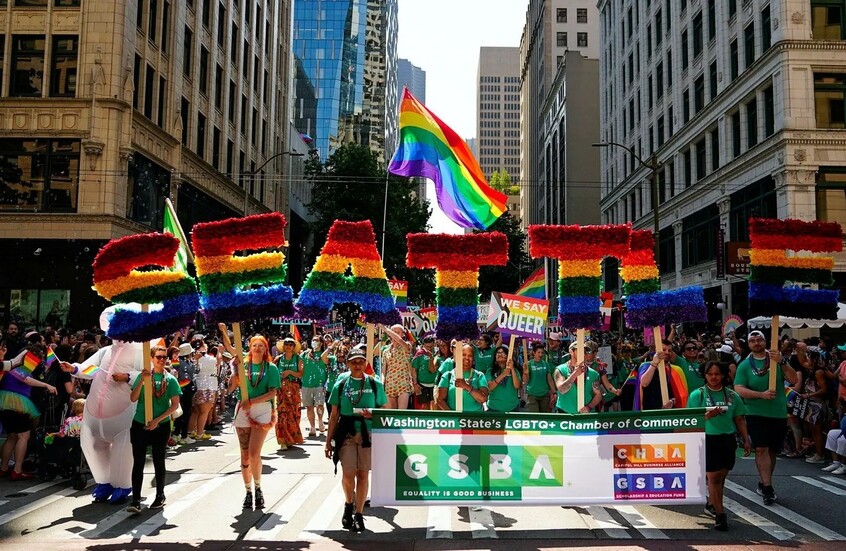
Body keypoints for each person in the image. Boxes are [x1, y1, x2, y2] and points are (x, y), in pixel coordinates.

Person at [324, 347, 387, 532]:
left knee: (363, 474)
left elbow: (384, 409)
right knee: (348, 473)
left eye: (361, 361)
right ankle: (348, 504)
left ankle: (359, 514)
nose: (358, 365)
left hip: (368, 434)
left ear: (365, 363)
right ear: (348, 364)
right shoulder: (341, 384)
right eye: (354, 362)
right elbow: (334, 415)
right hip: (346, 434)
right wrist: (328, 442)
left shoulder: (375, 384)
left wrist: (373, 413)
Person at [733, 329, 798, 505]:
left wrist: (782, 362)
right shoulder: (745, 365)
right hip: (755, 412)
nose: (756, 343)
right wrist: (760, 395)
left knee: (772, 451)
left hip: (777, 413)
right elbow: (738, 388)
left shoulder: (776, 360)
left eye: (759, 340)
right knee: (761, 448)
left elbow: (794, 380)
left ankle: (764, 481)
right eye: (752, 341)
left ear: (765, 341)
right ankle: (768, 488)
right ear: (749, 344)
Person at [687, 361, 751, 531]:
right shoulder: (697, 395)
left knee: (721, 477)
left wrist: (746, 439)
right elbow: (692, 420)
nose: (713, 377)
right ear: (705, 375)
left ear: (723, 375)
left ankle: (711, 503)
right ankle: (720, 515)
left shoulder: (732, 396)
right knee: (714, 477)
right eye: (710, 374)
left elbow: (739, 419)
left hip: (727, 439)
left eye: (717, 374)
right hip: (707, 439)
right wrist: (709, 415)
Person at [125, 346, 181, 513]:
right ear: (151, 358)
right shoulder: (143, 376)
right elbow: (133, 398)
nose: (161, 360)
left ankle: (160, 495)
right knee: (138, 462)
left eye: (164, 357)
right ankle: (135, 500)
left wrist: (157, 420)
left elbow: (175, 405)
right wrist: (142, 381)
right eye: (158, 357)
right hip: (140, 423)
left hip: (160, 426)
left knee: (158, 460)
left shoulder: (170, 379)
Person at [230, 335, 280, 510]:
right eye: (254, 345)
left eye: (261, 345)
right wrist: (234, 369)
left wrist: (252, 401)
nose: (257, 348)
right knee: (244, 456)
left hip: (262, 410)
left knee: (253, 454)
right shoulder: (243, 365)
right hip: (242, 409)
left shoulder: (271, 368)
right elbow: (231, 387)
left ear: (266, 348)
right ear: (250, 348)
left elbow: (272, 393)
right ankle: (248, 491)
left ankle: (258, 488)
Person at [0, 344, 57, 479]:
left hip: (4, 402)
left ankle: (3, 468)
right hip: (17, 403)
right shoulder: (22, 364)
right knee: (23, 436)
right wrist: (46, 385)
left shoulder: (11, 363)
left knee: (12, 436)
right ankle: (17, 470)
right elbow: (25, 379)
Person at [436, 344, 489, 411]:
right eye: (464, 355)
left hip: (475, 417)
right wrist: (453, 415)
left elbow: (483, 399)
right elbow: (440, 400)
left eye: (470, 356)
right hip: (455, 416)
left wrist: (466, 386)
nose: (467, 358)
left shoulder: (479, 375)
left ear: (473, 359)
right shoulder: (447, 376)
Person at [553, 341, 602, 414]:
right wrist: (575, 374)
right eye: (580, 351)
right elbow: (562, 390)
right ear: (571, 352)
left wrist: (589, 407)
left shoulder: (593, 374)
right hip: (564, 414)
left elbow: (599, 394)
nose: (584, 354)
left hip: (585, 416)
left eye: (585, 351)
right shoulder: (560, 370)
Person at [275, 337, 304, 449]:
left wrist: (290, 372)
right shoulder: (278, 359)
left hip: (294, 389)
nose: (288, 346)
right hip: (281, 389)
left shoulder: (298, 358)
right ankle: (283, 440)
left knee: (294, 413)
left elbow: (301, 374)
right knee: (282, 414)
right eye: (286, 344)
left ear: (293, 347)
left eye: (290, 344)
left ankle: (291, 438)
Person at [380, 324, 414, 409]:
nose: (395, 334)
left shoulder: (406, 346)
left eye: (398, 332)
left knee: (401, 411)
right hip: (390, 383)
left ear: (403, 334)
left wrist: (385, 329)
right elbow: (384, 370)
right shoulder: (386, 351)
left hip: (403, 382)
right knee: (390, 412)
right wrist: (382, 383)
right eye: (393, 332)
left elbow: (399, 340)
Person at [188, 345, 218, 441]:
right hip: (208, 387)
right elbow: (218, 362)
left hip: (197, 387)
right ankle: (200, 433)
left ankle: (190, 431)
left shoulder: (193, 360)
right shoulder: (211, 359)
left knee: (196, 411)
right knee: (204, 412)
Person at [637, 340, 676, 410]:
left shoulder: (672, 369)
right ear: (655, 351)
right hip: (650, 413)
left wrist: (671, 402)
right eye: (664, 350)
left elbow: (673, 395)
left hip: (667, 413)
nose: (667, 352)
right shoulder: (646, 366)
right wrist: (654, 363)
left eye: (669, 350)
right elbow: (644, 383)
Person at [301, 337, 328, 436]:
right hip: (306, 384)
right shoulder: (305, 354)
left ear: (321, 343)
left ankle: (320, 421)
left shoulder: (324, 354)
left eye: (316, 340)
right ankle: (312, 427)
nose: (314, 342)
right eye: (313, 340)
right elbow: (298, 361)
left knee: (319, 405)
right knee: (309, 407)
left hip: (319, 384)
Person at [172, 343, 197, 444]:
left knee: (184, 412)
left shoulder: (186, 361)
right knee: (185, 412)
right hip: (185, 389)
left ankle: (177, 434)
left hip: (186, 389)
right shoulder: (181, 362)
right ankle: (183, 436)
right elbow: (188, 374)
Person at [485, 344, 522, 412]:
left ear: (508, 356)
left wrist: (512, 369)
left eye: (503, 352)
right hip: (494, 408)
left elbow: (517, 386)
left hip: (512, 407)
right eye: (498, 353)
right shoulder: (490, 371)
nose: (500, 354)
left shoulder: (514, 370)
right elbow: (489, 387)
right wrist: (503, 374)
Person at [524, 342, 554, 413]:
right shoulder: (529, 364)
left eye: (542, 353)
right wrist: (525, 372)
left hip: (545, 395)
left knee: (545, 416)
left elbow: (549, 379)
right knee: (534, 416)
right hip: (532, 395)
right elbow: (526, 381)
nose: (540, 354)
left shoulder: (545, 364)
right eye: (538, 352)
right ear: (534, 353)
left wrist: (554, 392)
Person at [411, 336, 438, 410]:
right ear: (423, 345)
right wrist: (415, 383)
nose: (429, 348)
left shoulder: (437, 353)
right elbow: (414, 369)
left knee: (434, 405)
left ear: (434, 344)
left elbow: (433, 369)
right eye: (427, 347)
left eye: (431, 346)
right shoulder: (419, 354)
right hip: (422, 385)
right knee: (424, 406)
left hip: (434, 384)